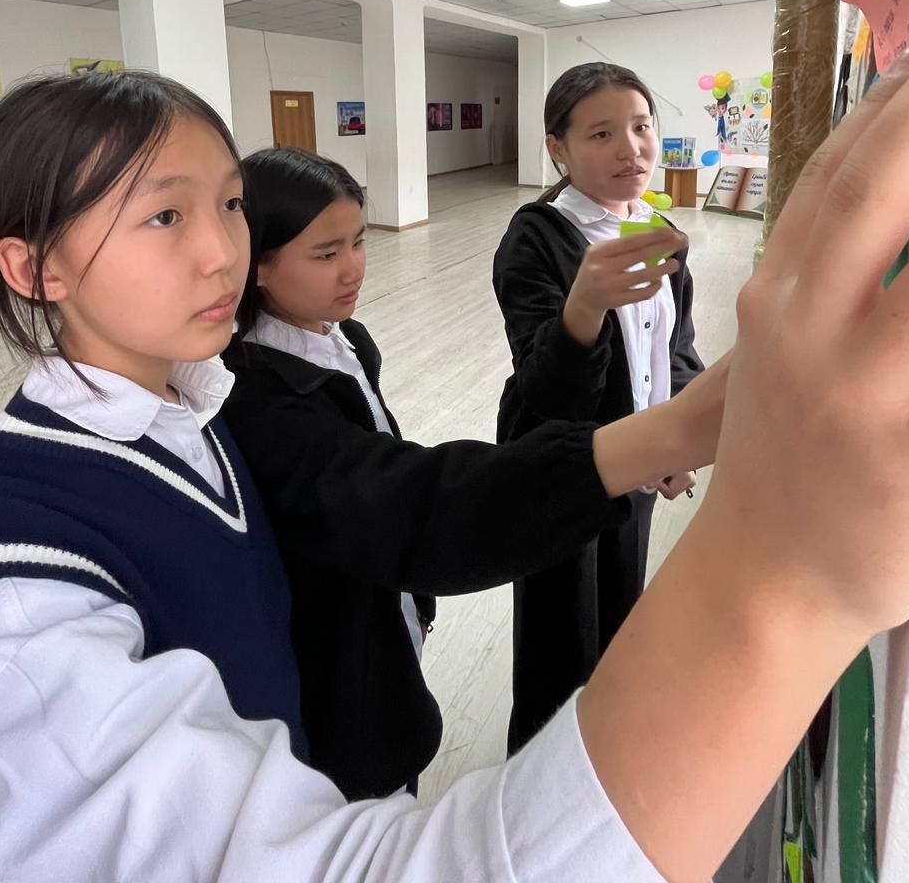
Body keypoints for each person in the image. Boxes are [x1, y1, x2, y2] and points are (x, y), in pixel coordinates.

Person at [0, 45, 909, 882]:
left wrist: (689, 417)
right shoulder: (5, 625)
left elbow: (395, 490)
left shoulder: (196, 404)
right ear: (33, 267)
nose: (221, 253)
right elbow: (410, 503)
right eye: (165, 216)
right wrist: (785, 575)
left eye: (230, 206)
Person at [219, 145, 715, 799]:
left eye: (359, 242)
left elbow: (675, 348)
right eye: (325, 253)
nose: (353, 268)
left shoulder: (345, 339)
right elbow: (410, 501)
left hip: (395, 620)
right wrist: (649, 435)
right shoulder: (260, 399)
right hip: (339, 685)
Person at [493, 62, 704, 753]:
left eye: (641, 127)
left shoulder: (656, 228)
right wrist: (584, 304)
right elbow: (548, 390)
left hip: (637, 465)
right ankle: (538, 777)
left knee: (618, 612)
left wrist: (677, 438)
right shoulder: (538, 236)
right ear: (557, 148)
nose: (631, 149)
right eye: (602, 134)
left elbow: (676, 347)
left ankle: (602, 756)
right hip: (559, 469)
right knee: (559, 641)